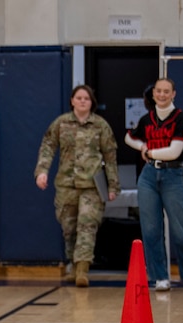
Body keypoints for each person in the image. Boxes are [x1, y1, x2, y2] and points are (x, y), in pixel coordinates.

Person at [34, 85, 119, 287]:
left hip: (92, 185)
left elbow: (110, 155)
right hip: (66, 184)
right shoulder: (61, 124)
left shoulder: (100, 125)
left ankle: (83, 269)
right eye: (79, 98)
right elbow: (47, 147)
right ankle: (73, 263)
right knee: (69, 228)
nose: (82, 101)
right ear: (72, 101)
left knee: (87, 225)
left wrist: (113, 185)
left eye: (86, 99)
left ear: (91, 103)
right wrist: (42, 171)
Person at [124, 77, 183, 291]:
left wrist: (148, 151)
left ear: (173, 94)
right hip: (149, 175)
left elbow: (175, 151)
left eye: (166, 91)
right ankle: (160, 277)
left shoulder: (182, 119)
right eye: (158, 91)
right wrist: (143, 146)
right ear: (153, 94)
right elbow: (128, 138)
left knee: (181, 229)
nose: (162, 95)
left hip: (173, 174)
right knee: (150, 229)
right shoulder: (147, 119)